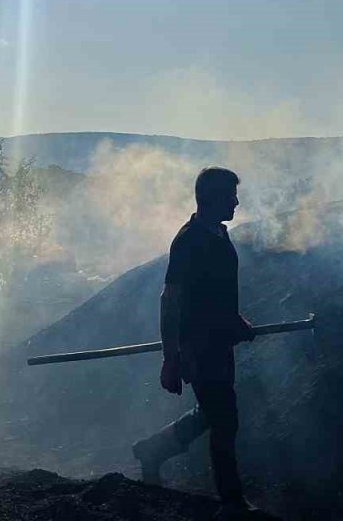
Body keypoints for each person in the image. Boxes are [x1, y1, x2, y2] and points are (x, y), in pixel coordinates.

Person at [132, 166, 256, 513]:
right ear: (213, 198)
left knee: (211, 413)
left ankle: (153, 450)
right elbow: (170, 300)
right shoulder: (188, 241)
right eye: (231, 196)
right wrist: (171, 359)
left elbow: (216, 289)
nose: (236, 202)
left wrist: (234, 319)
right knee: (225, 418)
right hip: (197, 348)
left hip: (220, 343)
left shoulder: (219, 233)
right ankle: (232, 500)